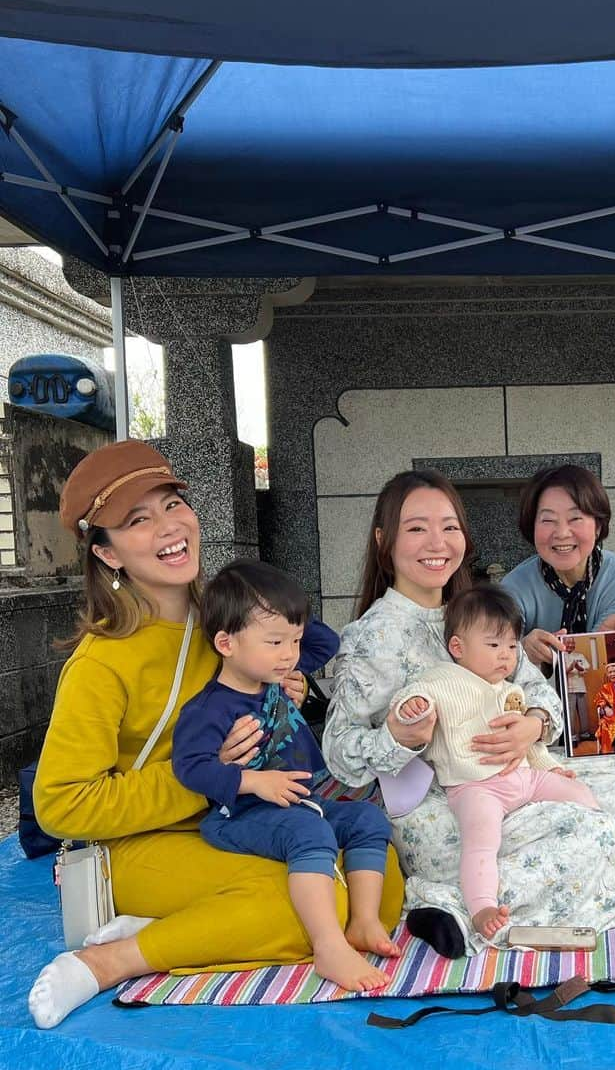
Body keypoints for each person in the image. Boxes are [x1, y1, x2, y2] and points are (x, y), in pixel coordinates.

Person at [26, 441, 403, 1030]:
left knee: (377, 878)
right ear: (107, 553)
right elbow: (60, 804)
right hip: (145, 841)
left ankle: (171, 928)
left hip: (239, 822)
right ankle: (111, 960)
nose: (169, 527)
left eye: (173, 504)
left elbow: (292, 661)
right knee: (310, 905)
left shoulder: (226, 622)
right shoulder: (102, 662)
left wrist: (284, 686)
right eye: (137, 520)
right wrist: (211, 778)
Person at [321, 469, 615, 958]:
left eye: (449, 526)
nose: (436, 542)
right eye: (417, 528)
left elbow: (537, 691)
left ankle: (574, 854)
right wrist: (396, 736)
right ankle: (449, 901)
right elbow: (339, 755)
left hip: (517, 775)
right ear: (384, 539)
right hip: (445, 804)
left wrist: (532, 726)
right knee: (597, 831)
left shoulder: (476, 610)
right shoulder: (372, 638)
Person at [172, 560, 396, 991]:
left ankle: (363, 923)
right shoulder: (210, 708)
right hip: (239, 814)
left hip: (297, 802)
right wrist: (254, 782)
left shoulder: (275, 676)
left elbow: (325, 642)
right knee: (309, 832)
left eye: (294, 640)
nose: (290, 654)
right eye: (275, 641)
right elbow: (191, 767)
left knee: (369, 819)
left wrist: (284, 617)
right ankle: (328, 945)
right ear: (226, 642)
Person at [392, 585, 599, 940]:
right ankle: (481, 904)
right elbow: (412, 699)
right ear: (458, 648)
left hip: (522, 777)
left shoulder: (509, 690)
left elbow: (528, 741)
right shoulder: (441, 680)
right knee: (482, 839)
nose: (506, 656)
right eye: (493, 645)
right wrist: (411, 709)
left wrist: (548, 767)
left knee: (580, 793)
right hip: (475, 787)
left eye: (511, 646)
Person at [501, 464, 615, 669]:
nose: (561, 533)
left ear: (598, 526)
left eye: (575, 518)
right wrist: (521, 652)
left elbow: (595, 667)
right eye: (548, 520)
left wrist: (609, 642)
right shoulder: (511, 589)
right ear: (531, 526)